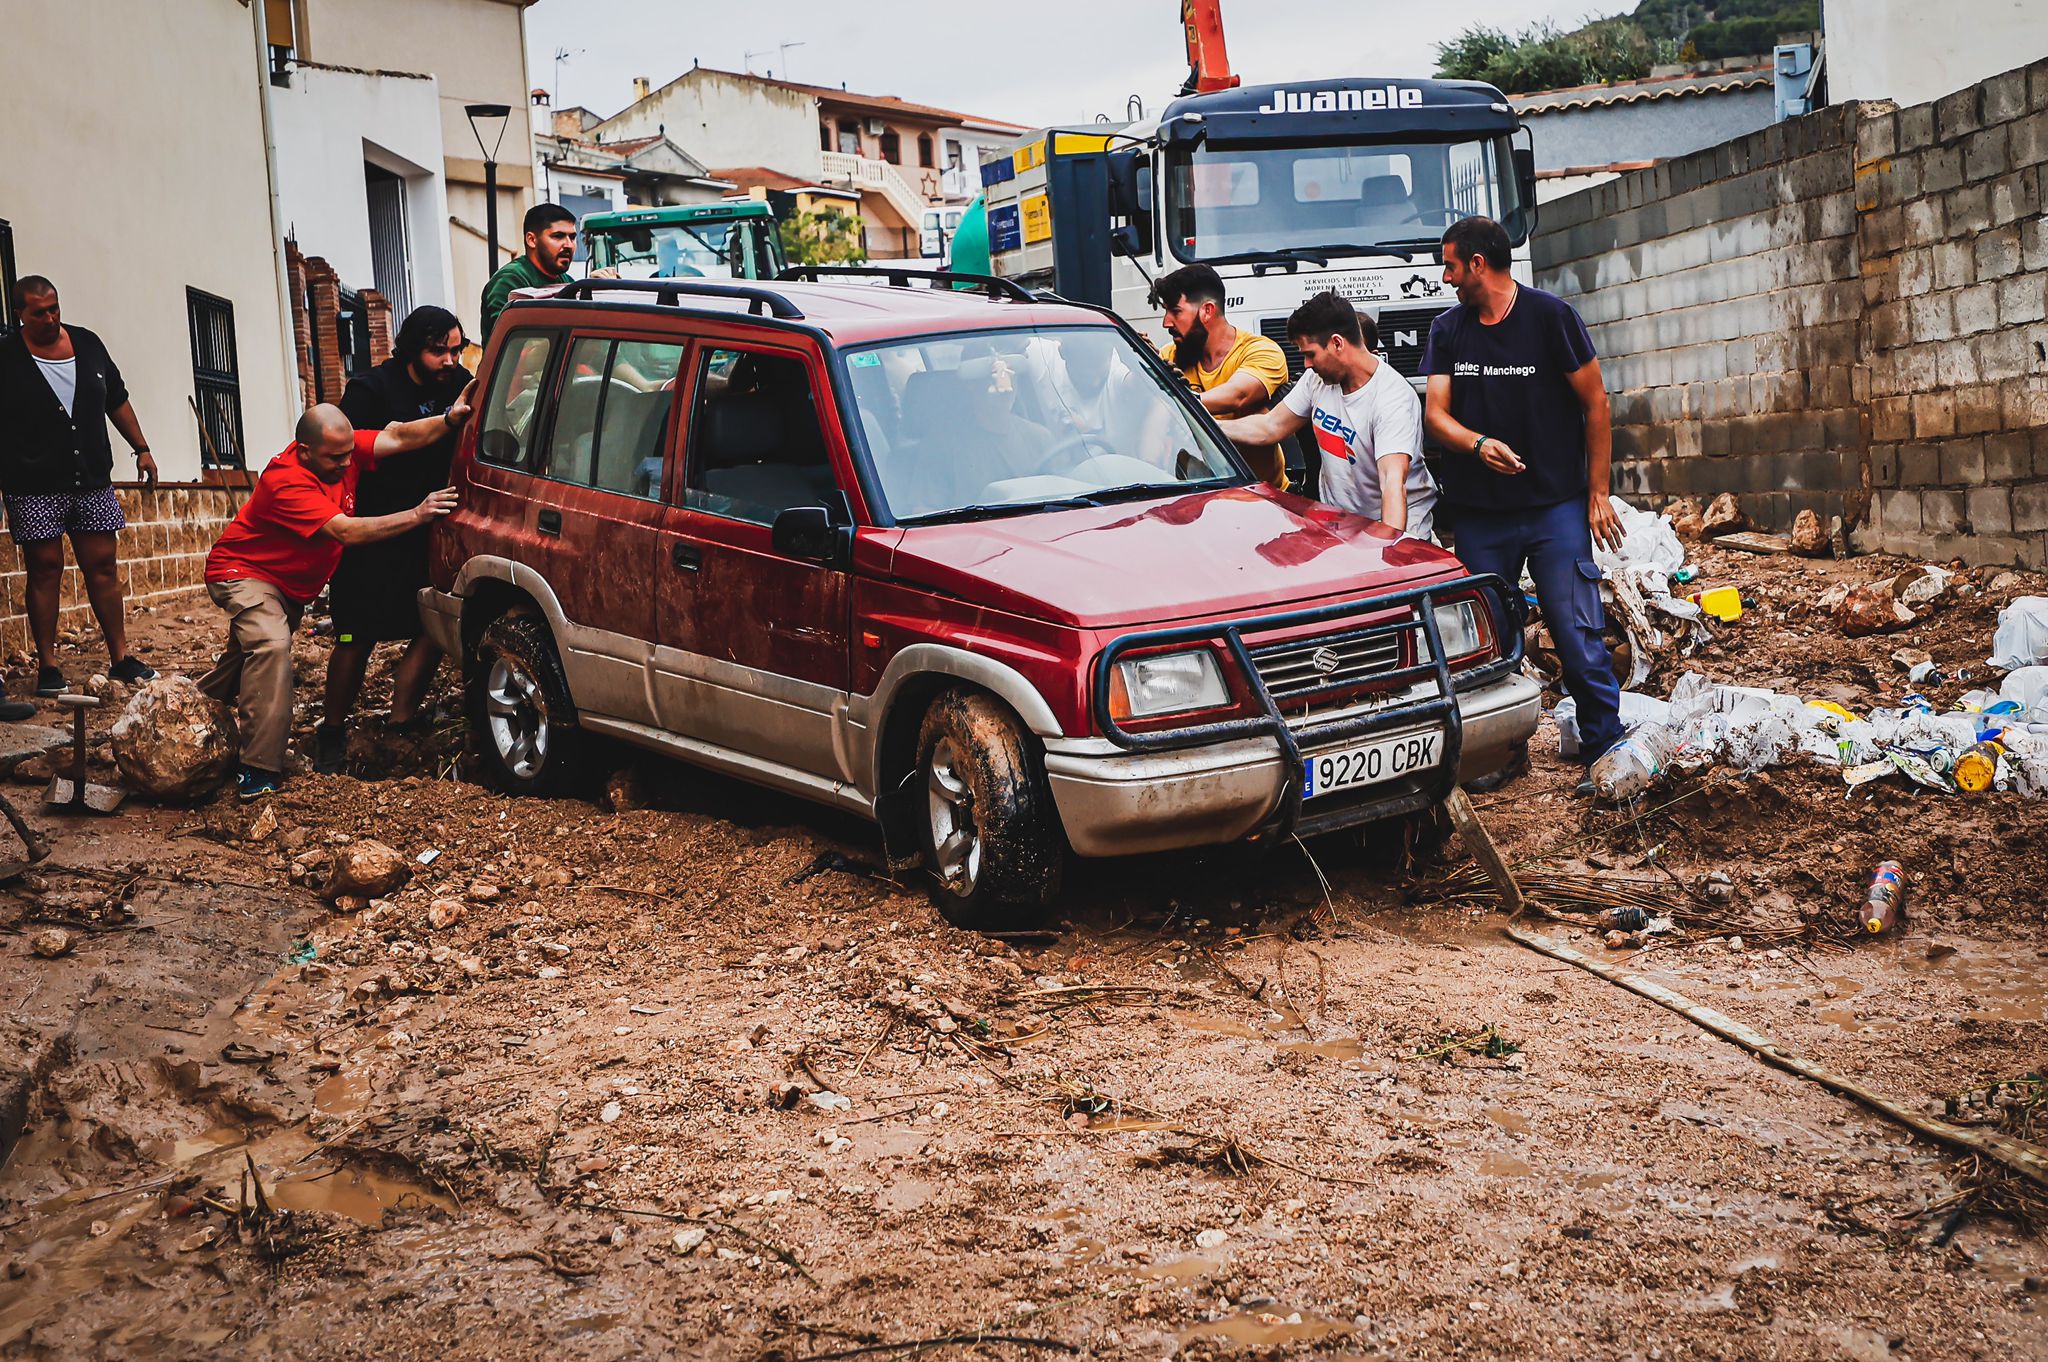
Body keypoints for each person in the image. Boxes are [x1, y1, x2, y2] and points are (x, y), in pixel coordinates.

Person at [1421, 215, 1625, 791]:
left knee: (1575, 628)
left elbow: (1596, 404)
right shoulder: (1447, 330)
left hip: (1553, 507)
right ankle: (1500, 751)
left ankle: (1604, 749)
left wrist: (1598, 494)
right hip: (1482, 515)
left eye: (1451, 266)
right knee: (1486, 640)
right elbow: (1436, 415)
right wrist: (1478, 443)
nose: (1445, 277)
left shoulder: (1549, 317)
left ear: (1478, 265)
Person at [200, 400, 471, 801]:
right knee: (272, 646)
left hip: (288, 586)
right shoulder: (286, 480)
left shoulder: (340, 448)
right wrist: (417, 514)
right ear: (305, 451)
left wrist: (449, 418)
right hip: (244, 574)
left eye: (350, 453)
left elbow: (398, 435)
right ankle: (258, 767)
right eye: (336, 458)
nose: (348, 463)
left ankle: (189, 706)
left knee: (244, 659)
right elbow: (347, 532)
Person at [313, 306, 473, 773]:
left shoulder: (457, 380)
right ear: (410, 349)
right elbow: (353, 446)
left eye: (456, 349)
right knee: (355, 634)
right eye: (437, 351)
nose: (449, 360)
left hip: (432, 525)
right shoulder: (371, 389)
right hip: (373, 527)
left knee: (434, 623)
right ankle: (332, 731)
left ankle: (402, 722)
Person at [0, 276, 160, 707]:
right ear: (20, 314)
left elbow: (117, 400)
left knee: (103, 565)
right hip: (32, 486)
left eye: (55, 308)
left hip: (91, 478)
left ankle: (121, 657)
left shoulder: (88, 344)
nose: (51, 318)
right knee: (45, 568)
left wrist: (141, 449)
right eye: (39, 312)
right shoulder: (7, 357)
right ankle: (48, 667)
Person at [1214, 291, 1436, 539]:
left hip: (1392, 528)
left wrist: (1390, 550)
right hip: (1341, 526)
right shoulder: (1317, 381)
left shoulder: (1392, 399)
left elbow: (1392, 484)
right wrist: (1204, 425)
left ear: (1337, 343)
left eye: (1311, 354)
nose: (1306, 364)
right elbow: (1270, 426)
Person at [1149, 265, 1291, 488]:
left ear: (1207, 311)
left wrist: (1179, 397)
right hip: (1193, 497)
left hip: (1261, 499)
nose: (1166, 322)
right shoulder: (1169, 356)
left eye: (1175, 311)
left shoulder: (1261, 351)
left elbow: (1238, 395)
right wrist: (1137, 357)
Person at [479, 203, 577, 345]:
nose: (568, 245)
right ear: (531, 240)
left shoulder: (567, 281)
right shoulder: (510, 280)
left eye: (572, 237)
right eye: (558, 236)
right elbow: (514, 346)